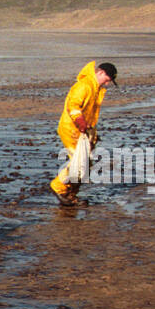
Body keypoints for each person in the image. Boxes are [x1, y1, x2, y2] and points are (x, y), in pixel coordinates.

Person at [48, 61, 117, 207]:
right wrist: (80, 122)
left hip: (84, 131)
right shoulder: (84, 85)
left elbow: (90, 113)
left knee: (85, 165)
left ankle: (71, 195)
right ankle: (58, 186)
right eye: (107, 80)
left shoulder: (96, 88)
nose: (107, 84)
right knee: (78, 163)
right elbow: (73, 106)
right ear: (100, 73)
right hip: (72, 129)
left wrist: (91, 133)